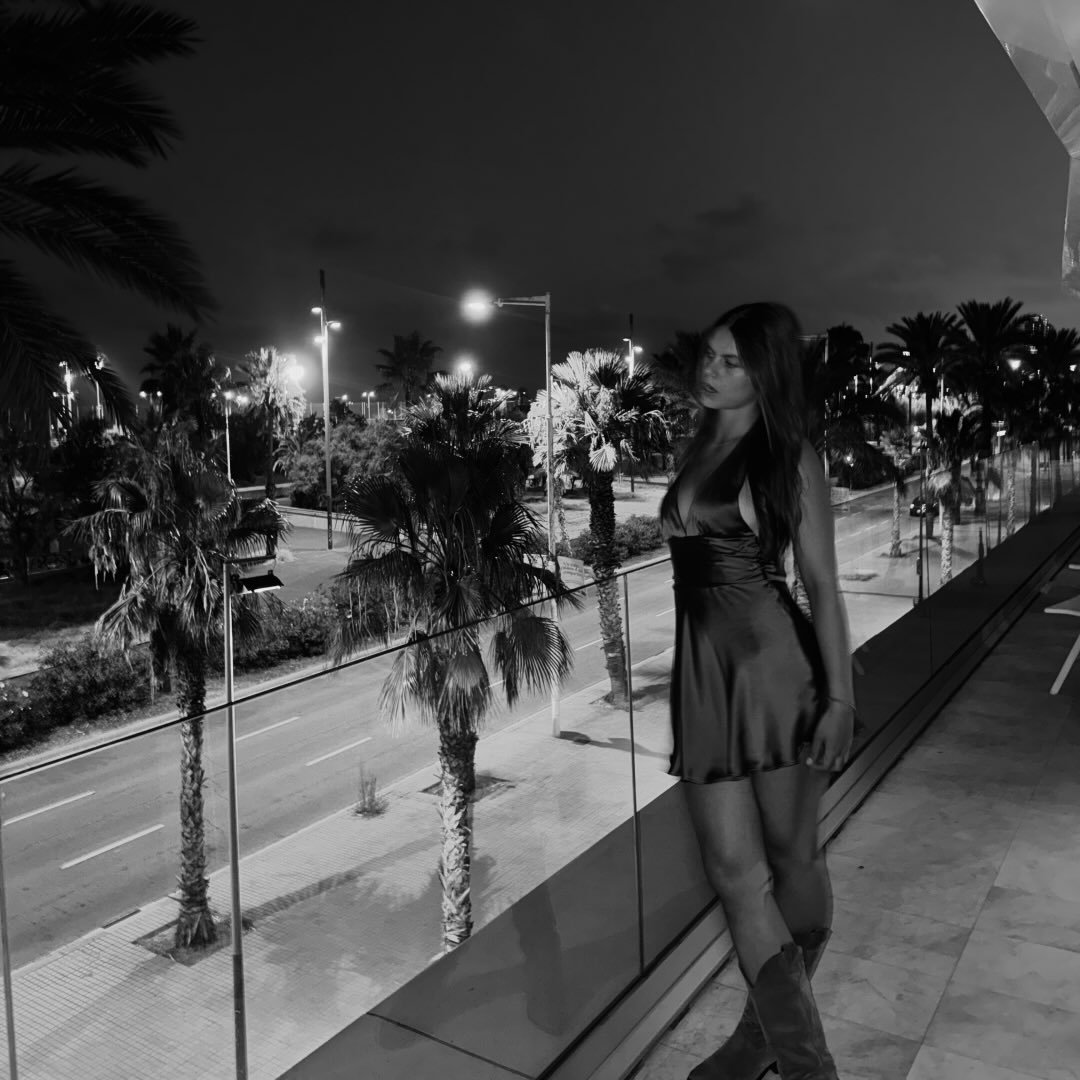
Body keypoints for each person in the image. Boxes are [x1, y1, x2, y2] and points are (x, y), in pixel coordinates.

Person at [659, 302, 858, 1080]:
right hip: (704, 678)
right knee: (734, 875)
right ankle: (783, 1050)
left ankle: (769, 1048)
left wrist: (839, 700)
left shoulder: (788, 456)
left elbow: (822, 584)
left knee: (792, 858)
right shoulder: (700, 442)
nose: (710, 372)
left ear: (765, 372)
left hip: (777, 674)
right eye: (707, 356)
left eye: (731, 361)